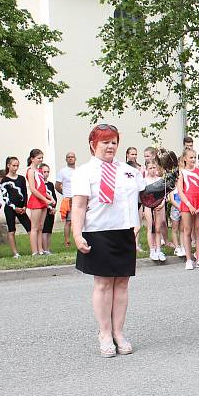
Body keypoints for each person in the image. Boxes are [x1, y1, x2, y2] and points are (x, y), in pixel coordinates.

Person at [71, 123, 147, 358]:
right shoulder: (84, 172)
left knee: (122, 283)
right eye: (105, 142)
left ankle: (118, 332)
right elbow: (79, 205)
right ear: (93, 145)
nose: (110, 146)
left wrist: (138, 223)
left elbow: (143, 199)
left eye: (114, 142)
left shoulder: (129, 171)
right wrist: (77, 233)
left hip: (123, 231)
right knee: (103, 284)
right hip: (97, 231)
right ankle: (104, 334)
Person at [177, 148, 199, 269]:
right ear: (185, 158)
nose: (193, 160)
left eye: (195, 157)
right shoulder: (181, 172)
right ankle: (189, 260)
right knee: (187, 230)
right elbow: (180, 191)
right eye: (191, 157)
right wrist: (189, 205)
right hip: (187, 203)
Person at [0, 156, 31, 258]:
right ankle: (15, 253)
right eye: (14, 165)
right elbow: (5, 197)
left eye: (17, 165)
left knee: (30, 227)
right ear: (8, 166)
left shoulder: (21, 178)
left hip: (21, 208)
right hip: (10, 208)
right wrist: (14, 207)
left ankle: (35, 249)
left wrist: (25, 206)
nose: (16, 168)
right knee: (12, 230)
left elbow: (25, 193)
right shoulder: (4, 179)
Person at [26, 148, 55, 256]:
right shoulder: (30, 171)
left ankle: (40, 249)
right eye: (38, 158)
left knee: (40, 227)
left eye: (42, 158)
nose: (40, 160)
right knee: (34, 227)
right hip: (36, 201)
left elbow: (42, 188)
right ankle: (34, 251)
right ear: (32, 159)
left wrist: (50, 198)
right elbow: (33, 189)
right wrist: (46, 200)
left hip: (43, 200)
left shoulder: (39, 171)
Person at [143, 157, 167, 262]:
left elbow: (164, 194)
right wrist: (146, 206)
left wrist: (161, 204)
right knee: (150, 227)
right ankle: (152, 250)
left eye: (154, 167)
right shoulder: (144, 181)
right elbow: (142, 195)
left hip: (159, 205)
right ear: (147, 169)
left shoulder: (160, 180)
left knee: (158, 228)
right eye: (150, 168)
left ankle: (158, 249)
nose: (152, 169)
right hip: (148, 205)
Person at [55, 151, 77, 247]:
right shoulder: (63, 171)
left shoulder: (79, 170)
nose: (70, 158)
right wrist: (65, 194)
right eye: (68, 157)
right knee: (69, 221)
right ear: (66, 159)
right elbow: (57, 186)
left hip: (78, 198)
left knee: (79, 221)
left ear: (75, 159)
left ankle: (78, 240)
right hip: (68, 199)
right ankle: (67, 241)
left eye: (72, 157)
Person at [40, 163, 57, 254]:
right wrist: (49, 207)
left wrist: (54, 207)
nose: (46, 174)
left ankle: (48, 248)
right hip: (44, 208)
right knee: (45, 230)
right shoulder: (40, 184)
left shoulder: (50, 184)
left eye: (48, 172)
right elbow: (42, 197)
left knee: (49, 229)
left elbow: (53, 196)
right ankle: (44, 249)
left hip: (51, 210)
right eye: (44, 172)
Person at [168, 188, 185, 256]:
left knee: (182, 229)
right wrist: (180, 208)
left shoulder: (184, 186)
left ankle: (182, 246)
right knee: (175, 229)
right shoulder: (173, 188)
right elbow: (172, 200)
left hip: (183, 208)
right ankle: (177, 247)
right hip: (176, 209)